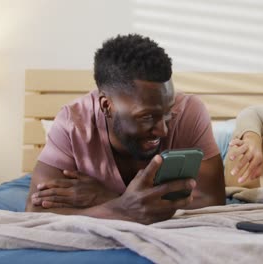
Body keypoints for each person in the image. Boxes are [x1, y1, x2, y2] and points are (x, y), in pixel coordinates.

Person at [25, 34, 226, 223]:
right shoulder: (73, 124)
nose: (163, 130)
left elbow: (213, 201)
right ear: (106, 105)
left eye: (168, 112)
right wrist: (122, 208)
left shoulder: (190, 112)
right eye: (146, 117)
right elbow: (35, 212)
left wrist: (112, 200)